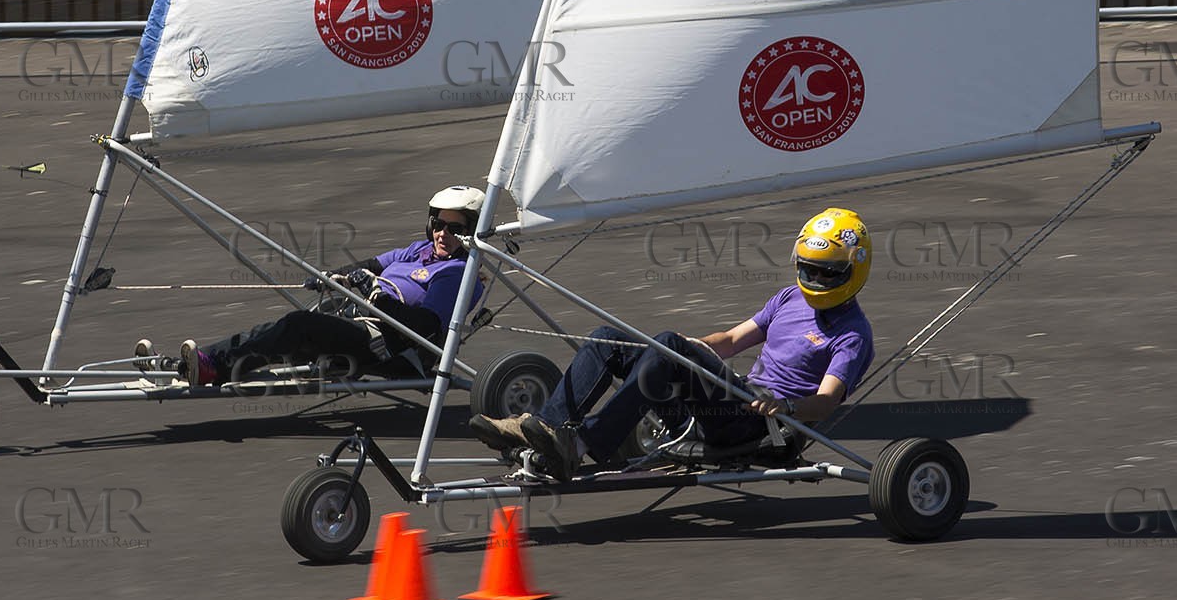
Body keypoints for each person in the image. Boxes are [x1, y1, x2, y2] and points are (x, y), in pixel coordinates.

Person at [469, 207, 876, 480]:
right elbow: (733, 340)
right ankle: (547, 427)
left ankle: (579, 444)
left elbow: (825, 403)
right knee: (608, 340)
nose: (815, 282)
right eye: (809, 270)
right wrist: (691, 345)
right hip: (728, 401)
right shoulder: (789, 298)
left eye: (827, 274)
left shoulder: (853, 334)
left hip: (761, 425)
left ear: (853, 271)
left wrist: (785, 406)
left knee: (669, 347)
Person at [136, 185, 487, 386]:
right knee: (275, 331)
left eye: (455, 228)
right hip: (356, 322)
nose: (443, 233)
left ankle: (211, 368)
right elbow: (371, 265)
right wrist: (333, 277)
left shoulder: (457, 273)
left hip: (387, 347)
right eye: (438, 224)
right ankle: (187, 364)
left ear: (471, 231)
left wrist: (375, 296)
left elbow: (423, 329)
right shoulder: (420, 250)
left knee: (297, 327)